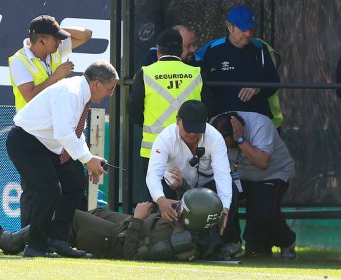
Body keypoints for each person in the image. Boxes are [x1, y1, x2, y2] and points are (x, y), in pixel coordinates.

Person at [6, 61, 119, 258]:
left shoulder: (80, 94)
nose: (110, 94)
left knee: (75, 182)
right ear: (96, 83)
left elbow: (75, 134)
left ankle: (59, 240)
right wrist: (86, 160)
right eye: (109, 89)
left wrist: (90, 158)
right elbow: (64, 133)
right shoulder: (71, 92)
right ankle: (36, 247)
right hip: (26, 142)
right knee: (48, 191)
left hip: (46, 144)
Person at [9, 15, 92, 228]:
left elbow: (87, 35)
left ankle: (60, 237)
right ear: (42, 41)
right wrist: (56, 76)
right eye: (55, 38)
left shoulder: (53, 50)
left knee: (72, 182)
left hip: (56, 135)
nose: (60, 42)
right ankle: (26, 238)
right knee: (34, 190)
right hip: (32, 135)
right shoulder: (19, 60)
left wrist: (56, 28)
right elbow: (30, 96)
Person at [0, 188, 226, 261]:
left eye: (181, 208)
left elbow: (133, 254)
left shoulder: (173, 241)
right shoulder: (195, 227)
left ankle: (13, 242)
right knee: (94, 211)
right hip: (126, 226)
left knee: (69, 216)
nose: (177, 207)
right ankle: (46, 243)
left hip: (117, 239)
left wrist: (137, 218)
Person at [145, 100, 242, 260]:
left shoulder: (214, 138)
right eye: (188, 128)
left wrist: (224, 207)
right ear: (177, 120)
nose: (192, 134)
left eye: (197, 129)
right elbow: (153, 174)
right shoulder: (165, 138)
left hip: (207, 188)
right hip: (175, 187)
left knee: (230, 191)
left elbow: (223, 175)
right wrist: (161, 200)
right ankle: (173, 245)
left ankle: (216, 247)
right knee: (159, 196)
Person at [127, 28, 208, 187]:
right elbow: (209, 106)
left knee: (159, 200)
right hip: (189, 148)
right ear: (180, 51)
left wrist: (145, 123)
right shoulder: (196, 73)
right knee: (189, 201)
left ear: (158, 52)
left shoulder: (145, 73)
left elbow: (133, 107)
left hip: (154, 150)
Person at [210, 111, 297, 260]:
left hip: (271, 175)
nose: (226, 148)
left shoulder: (261, 125)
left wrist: (240, 140)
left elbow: (263, 163)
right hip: (235, 176)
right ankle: (231, 242)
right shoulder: (212, 128)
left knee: (264, 214)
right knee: (219, 198)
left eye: (229, 145)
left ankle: (286, 241)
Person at [196, 4, 280, 119]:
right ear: (230, 27)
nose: (248, 34)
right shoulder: (212, 50)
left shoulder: (260, 48)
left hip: (257, 116)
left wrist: (257, 89)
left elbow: (274, 82)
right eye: (244, 29)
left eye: (251, 29)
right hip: (223, 119)